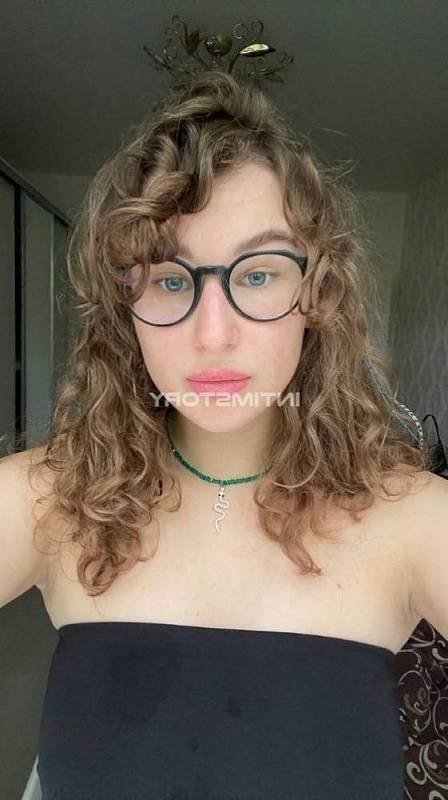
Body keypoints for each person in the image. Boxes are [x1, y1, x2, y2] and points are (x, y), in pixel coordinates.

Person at [1, 69, 448, 800]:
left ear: (316, 294)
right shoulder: (49, 498)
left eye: (259, 275)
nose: (214, 334)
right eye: (170, 279)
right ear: (124, 308)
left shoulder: (418, 520)